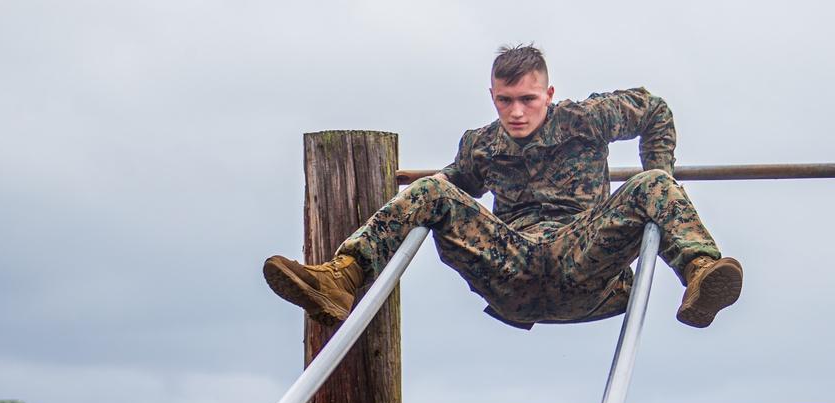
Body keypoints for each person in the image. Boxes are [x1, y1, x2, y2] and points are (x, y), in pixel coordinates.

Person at [263, 44, 742, 331]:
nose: (517, 112)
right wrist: (425, 188)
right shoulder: (481, 145)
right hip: (512, 269)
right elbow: (459, 186)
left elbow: (654, 109)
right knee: (434, 191)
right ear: (492, 96)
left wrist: (659, 177)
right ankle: (342, 280)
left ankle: (700, 274)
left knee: (652, 184)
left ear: (548, 96)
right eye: (506, 101)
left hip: (582, 261)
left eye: (528, 100)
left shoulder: (588, 118)